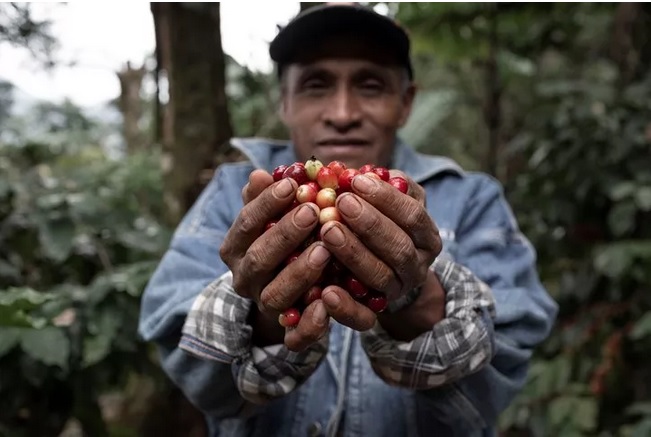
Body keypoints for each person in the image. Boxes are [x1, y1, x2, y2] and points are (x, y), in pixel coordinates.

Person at [138, 4, 558, 437]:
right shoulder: (234, 193)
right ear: (284, 103)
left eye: (370, 85)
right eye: (316, 85)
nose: (342, 113)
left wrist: (415, 298)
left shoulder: (472, 198)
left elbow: (505, 362)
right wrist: (263, 316)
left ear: (405, 103)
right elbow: (182, 345)